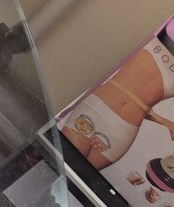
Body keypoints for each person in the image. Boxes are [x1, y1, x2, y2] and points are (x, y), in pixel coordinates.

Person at [62, 27, 174, 169]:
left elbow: (141, 103)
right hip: (95, 108)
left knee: (76, 179)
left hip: (122, 130)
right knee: (54, 166)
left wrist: (166, 123)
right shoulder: (167, 23)